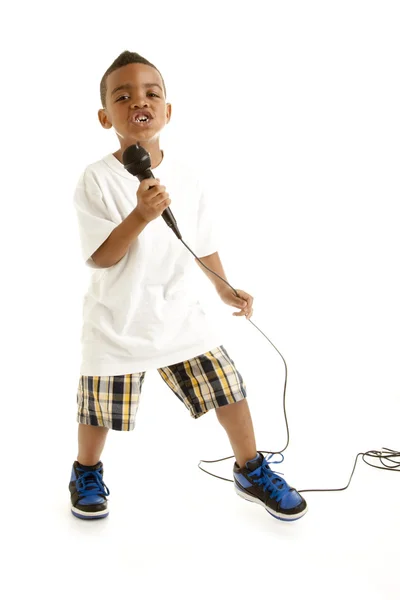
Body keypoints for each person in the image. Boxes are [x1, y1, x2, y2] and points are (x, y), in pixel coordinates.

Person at [70, 50, 307, 522]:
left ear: (168, 111)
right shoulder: (96, 179)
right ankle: (86, 470)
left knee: (229, 390)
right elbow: (101, 256)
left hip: (179, 315)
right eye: (123, 95)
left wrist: (224, 286)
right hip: (120, 320)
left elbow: (199, 240)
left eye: (151, 93)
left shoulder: (189, 176)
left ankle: (250, 468)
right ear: (105, 117)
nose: (140, 100)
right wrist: (139, 215)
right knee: (98, 408)